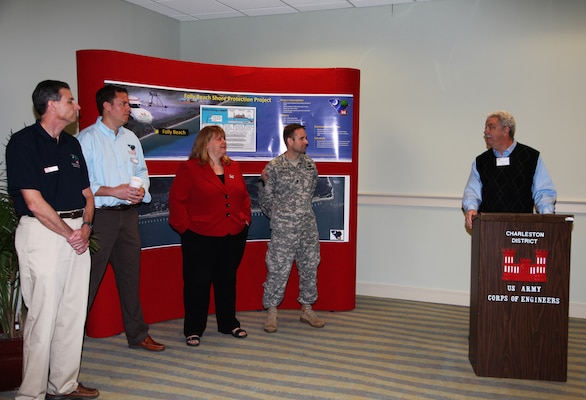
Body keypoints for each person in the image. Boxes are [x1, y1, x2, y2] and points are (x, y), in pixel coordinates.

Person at [6, 80, 99, 399]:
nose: (77, 106)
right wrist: (69, 232)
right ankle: (31, 393)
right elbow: (33, 201)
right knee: (43, 317)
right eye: (71, 100)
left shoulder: (72, 144)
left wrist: (85, 227)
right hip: (42, 234)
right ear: (51, 105)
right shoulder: (23, 143)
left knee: (73, 314)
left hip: (77, 234)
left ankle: (64, 383)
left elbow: (88, 194)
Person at [77, 84, 165, 352]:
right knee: (88, 280)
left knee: (130, 278)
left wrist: (141, 191)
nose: (129, 109)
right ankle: (70, 340)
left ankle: (138, 334)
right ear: (107, 106)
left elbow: (142, 170)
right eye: (123, 103)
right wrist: (110, 190)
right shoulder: (87, 139)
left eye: (128, 104)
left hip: (128, 217)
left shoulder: (131, 138)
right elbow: (80, 184)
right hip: (99, 219)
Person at [168, 125, 251, 347]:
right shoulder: (190, 168)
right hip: (199, 236)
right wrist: (185, 228)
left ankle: (229, 323)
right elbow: (177, 201)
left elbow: (243, 196)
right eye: (218, 139)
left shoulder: (233, 166)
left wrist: (244, 218)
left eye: (224, 138)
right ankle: (194, 329)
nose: (223, 142)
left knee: (227, 281)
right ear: (205, 144)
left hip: (232, 233)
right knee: (198, 284)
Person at [259, 123, 325, 333]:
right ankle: (272, 311)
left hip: (307, 227)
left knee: (309, 267)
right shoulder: (274, 167)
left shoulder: (310, 166)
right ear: (290, 141)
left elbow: (309, 194)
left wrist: (298, 213)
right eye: (302, 138)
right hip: (283, 229)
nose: (306, 142)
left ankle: (307, 309)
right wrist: (282, 218)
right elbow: (266, 201)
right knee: (278, 269)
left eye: (306, 138)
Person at [462, 110, 557, 229]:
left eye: (491, 127)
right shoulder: (481, 161)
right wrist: (471, 209)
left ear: (506, 130)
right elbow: (472, 192)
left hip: (523, 230)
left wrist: (547, 216)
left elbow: (544, 191)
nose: (485, 131)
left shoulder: (531, 157)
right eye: (485, 127)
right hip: (489, 230)